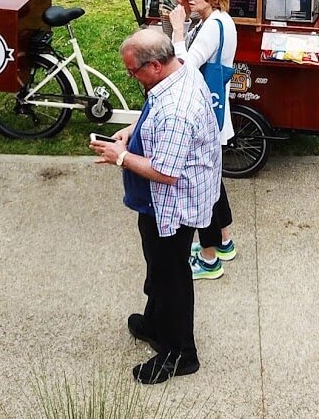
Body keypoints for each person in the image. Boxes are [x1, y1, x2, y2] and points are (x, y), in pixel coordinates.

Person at [91, 29, 221, 384]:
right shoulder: (180, 70)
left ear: (156, 65)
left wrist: (120, 158)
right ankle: (155, 324)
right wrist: (133, 130)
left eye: (134, 71)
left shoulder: (177, 111)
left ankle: (180, 354)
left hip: (173, 208)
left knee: (171, 276)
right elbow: (154, 114)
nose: (131, 77)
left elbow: (165, 172)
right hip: (157, 205)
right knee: (158, 268)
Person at [168, 0, 237, 281]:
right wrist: (188, 12)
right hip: (217, 111)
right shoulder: (220, 20)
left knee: (202, 189)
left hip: (206, 117)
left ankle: (209, 260)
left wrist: (178, 30)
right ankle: (224, 241)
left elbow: (184, 67)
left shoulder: (211, 27)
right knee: (214, 182)